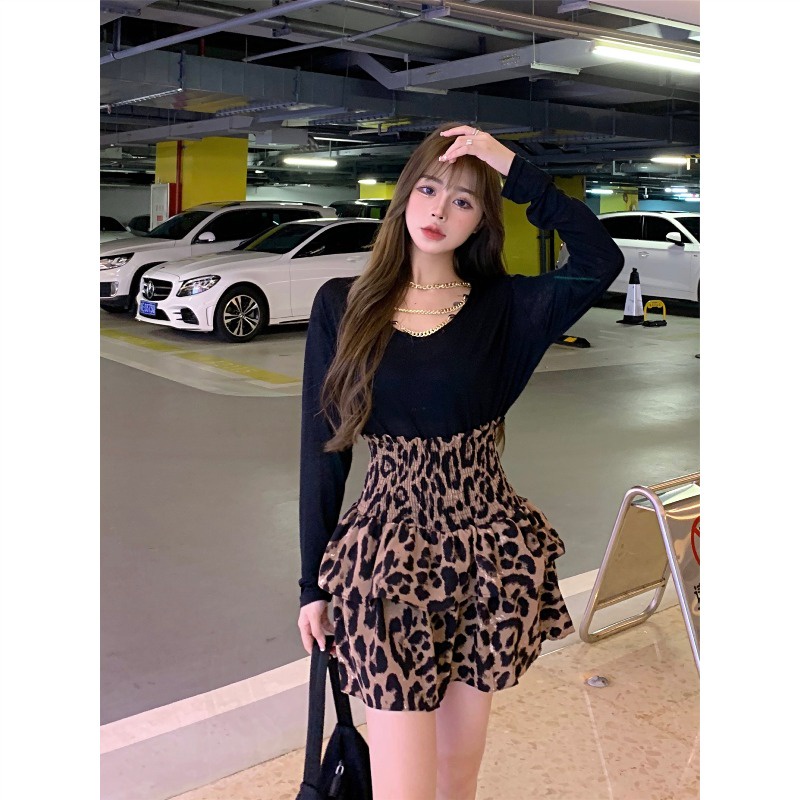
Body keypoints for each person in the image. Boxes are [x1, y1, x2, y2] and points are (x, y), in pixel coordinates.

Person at [297, 122, 623, 800]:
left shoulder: (507, 308)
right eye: (428, 189)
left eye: (465, 200)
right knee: (404, 788)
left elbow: (600, 258)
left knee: (456, 776)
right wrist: (311, 585)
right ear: (403, 198)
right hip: (387, 562)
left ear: (482, 221)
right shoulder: (342, 304)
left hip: (486, 554)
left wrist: (511, 167)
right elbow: (322, 449)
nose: (440, 210)